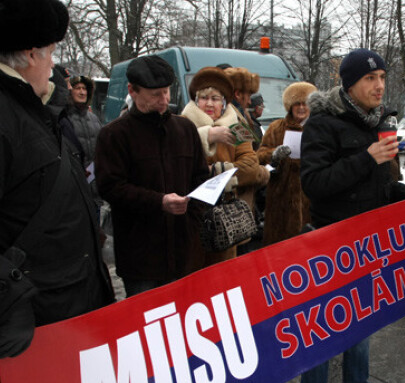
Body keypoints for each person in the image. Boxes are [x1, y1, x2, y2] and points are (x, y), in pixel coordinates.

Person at [0, 0, 114, 383]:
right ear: (30, 54)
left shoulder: (41, 112)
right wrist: (11, 302)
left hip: (66, 312)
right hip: (29, 327)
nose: (56, 63)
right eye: (51, 51)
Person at [300, 48, 405, 383]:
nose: (379, 86)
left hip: (367, 245)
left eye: (383, 78)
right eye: (370, 79)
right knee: (322, 329)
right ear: (349, 84)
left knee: (362, 324)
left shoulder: (378, 123)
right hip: (329, 243)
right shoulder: (322, 124)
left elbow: (377, 189)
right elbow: (315, 184)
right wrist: (365, 157)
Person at [95, 55, 209, 297]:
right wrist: (159, 202)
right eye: (155, 94)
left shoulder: (185, 129)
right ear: (132, 91)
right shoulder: (114, 135)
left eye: (167, 92)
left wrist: (193, 221)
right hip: (141, 259)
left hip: (185, 252)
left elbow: (200, 178)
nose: (164, 100)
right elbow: (110, 187)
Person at [181, 66, 268, 263]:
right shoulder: (182, 124)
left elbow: (250, 165)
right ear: (196, 100)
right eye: (204, 98)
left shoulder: (237, 126)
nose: (209, 104)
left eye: (215, 99)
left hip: (226, 221)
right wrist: (206, 136)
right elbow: (177, 167)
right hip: (191, 219)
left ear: (224, 102)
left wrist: (223, 172)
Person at [256, 82, 317, 245]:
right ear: (290, 106)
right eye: (297, 103)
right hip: (280, 199)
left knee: (309, 249)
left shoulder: (318, 128)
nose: (301, 107)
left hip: (310, 198)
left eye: (305, 103)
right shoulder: (276, 128)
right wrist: (274, 155)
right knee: (279, 249)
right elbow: (260, 155)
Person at [65, 75, 104, 215]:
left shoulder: (94, 118)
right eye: (77, 88)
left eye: (84, 88)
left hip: (94, 190)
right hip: (73, 189)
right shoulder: (63, 119)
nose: (82, 92)